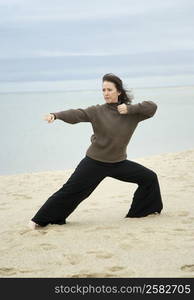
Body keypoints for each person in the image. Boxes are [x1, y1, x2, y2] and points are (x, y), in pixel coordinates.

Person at [29, 73, 163, 229]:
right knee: (72, 191)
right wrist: (56, 115)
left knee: (149, 178)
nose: (106, 93)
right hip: (95, 162)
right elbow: (77, 114)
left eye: (109, 90)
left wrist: (130, 108)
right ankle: (39, 221)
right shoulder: (97, 111)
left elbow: (152, 107)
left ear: (119, 91)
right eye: (103, 90)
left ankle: (142, 213)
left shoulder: (131, 113)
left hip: (118, 162)